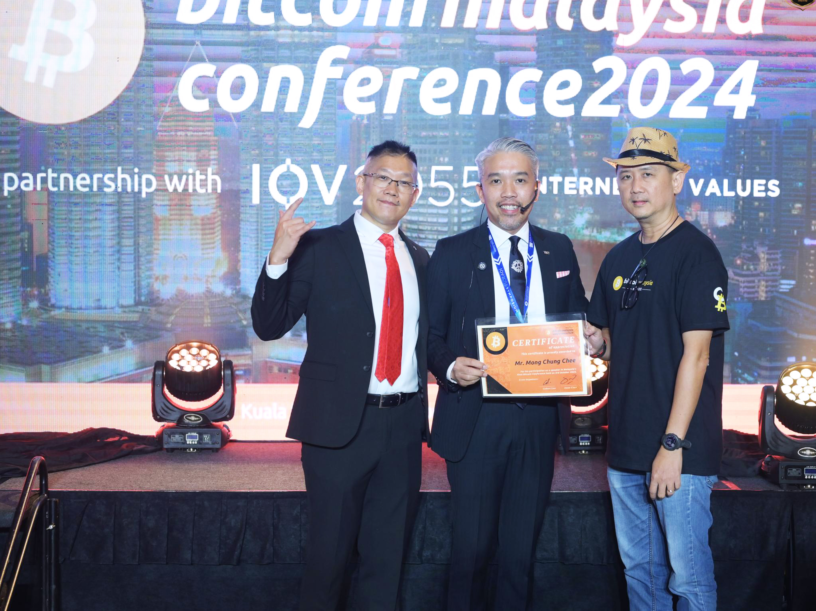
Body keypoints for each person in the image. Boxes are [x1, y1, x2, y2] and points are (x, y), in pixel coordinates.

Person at [251, 141, 430, 611]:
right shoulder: (319, 247)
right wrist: (278, 256)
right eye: (383, 177)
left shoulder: (420, 259)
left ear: (415, 194)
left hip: (403, 428)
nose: (392, 188)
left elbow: (429, 341)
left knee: (386, 564)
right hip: (337, 429)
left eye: (404, 182)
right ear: (361, 182)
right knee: (327, 561)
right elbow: (269, 325)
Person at [427, 138, 589, 610]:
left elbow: (577, 316)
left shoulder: (559, 249)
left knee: (520, 556)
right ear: (481, 190)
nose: (509, 192)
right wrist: (450, 366)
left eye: (520, 179)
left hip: (538, 419)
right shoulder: (452, 252)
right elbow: (428, 335)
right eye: (496, 181)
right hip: (475, 417)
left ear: (537, 187)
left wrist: (592, 337)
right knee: (472, 553)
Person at [584, 127, 730, 611]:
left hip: (678, 450)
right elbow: (612, 345)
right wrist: (593, 344)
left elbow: (698, 356)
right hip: (626, 446)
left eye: (648, 174)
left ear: (677, 180)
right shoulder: (619, 257)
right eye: (626, 176)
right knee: (641, 575)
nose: (635, 186)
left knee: (689, 581)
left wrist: (672, 446)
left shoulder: (697, 254)